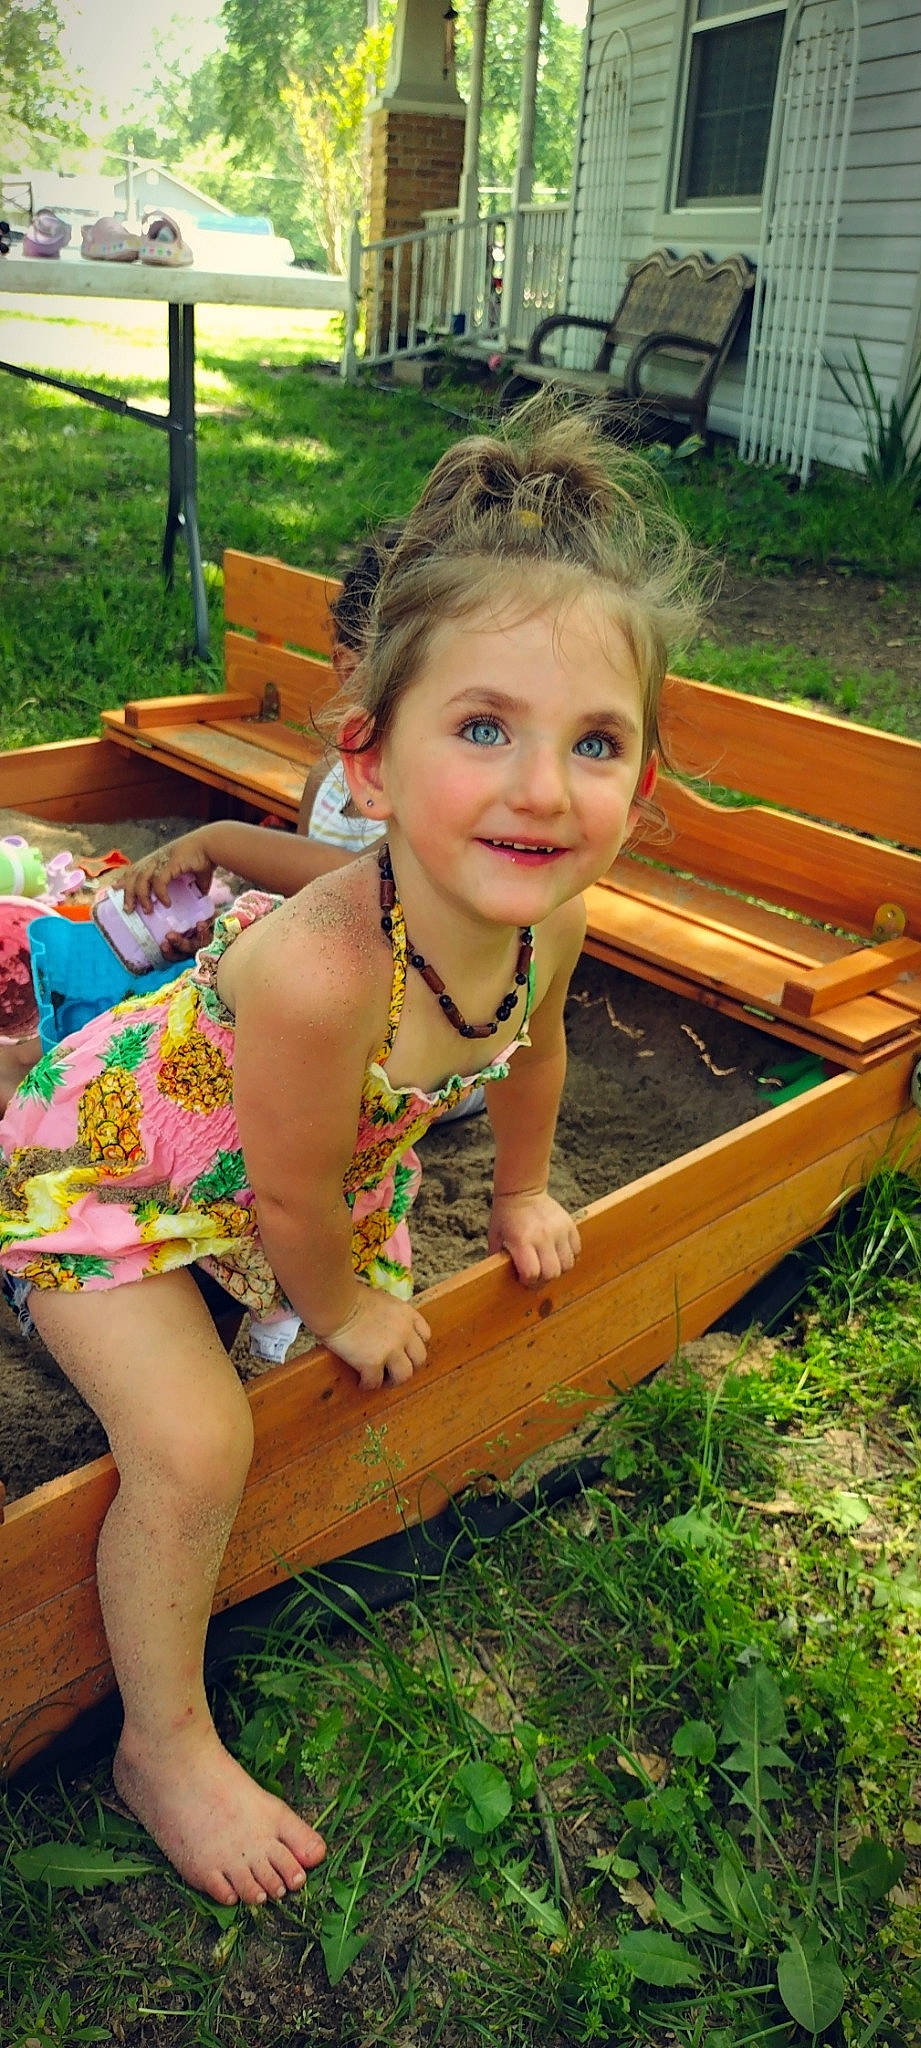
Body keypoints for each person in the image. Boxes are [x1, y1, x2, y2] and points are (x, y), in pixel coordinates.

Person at [0, 404, 699, 1909]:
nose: (540, 787)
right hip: (124, 1180)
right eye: (483, 728)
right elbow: (288, 1196)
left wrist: (521, 1188)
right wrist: (343, 1309)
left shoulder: (557, 920)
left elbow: (536, 1055)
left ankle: (268, 1312)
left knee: (296, 1369)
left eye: (593, 742)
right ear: (368, 766)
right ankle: (161, 1745)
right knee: (199, 1447)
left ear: (639, 791)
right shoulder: (324, 973)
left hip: (299, 1178)